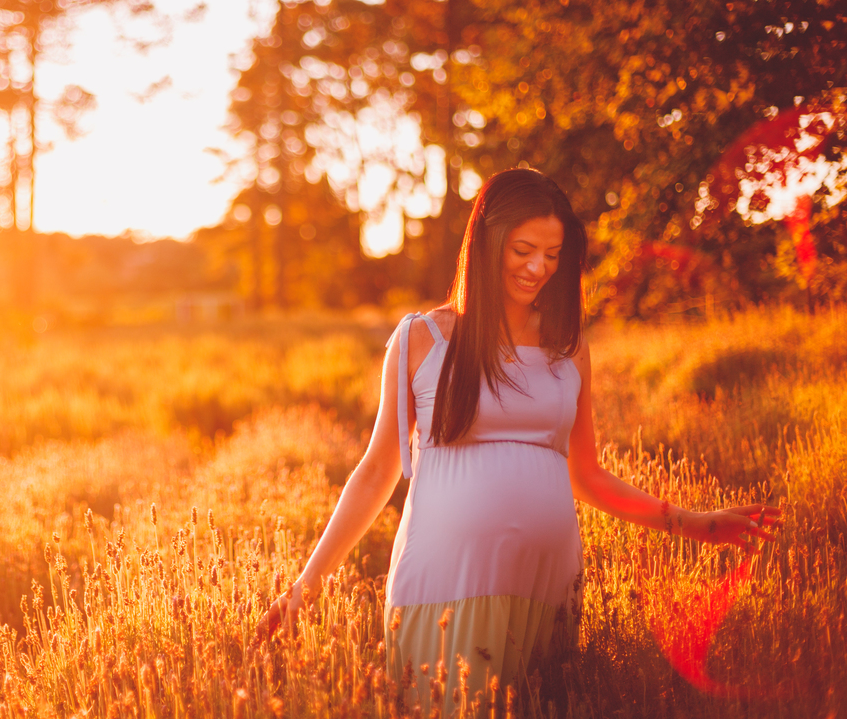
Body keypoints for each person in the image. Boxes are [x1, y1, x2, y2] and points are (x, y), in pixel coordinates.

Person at [260, 168, 780, 712]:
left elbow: (587, 476)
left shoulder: (567, 347)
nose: (538, 268)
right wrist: (305, 587)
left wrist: (693, 523)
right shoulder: (421, 338)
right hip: (444, 589)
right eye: (524, 250)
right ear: (487, 242)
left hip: (548, 591)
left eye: (552, 255)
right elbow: (375, 472)